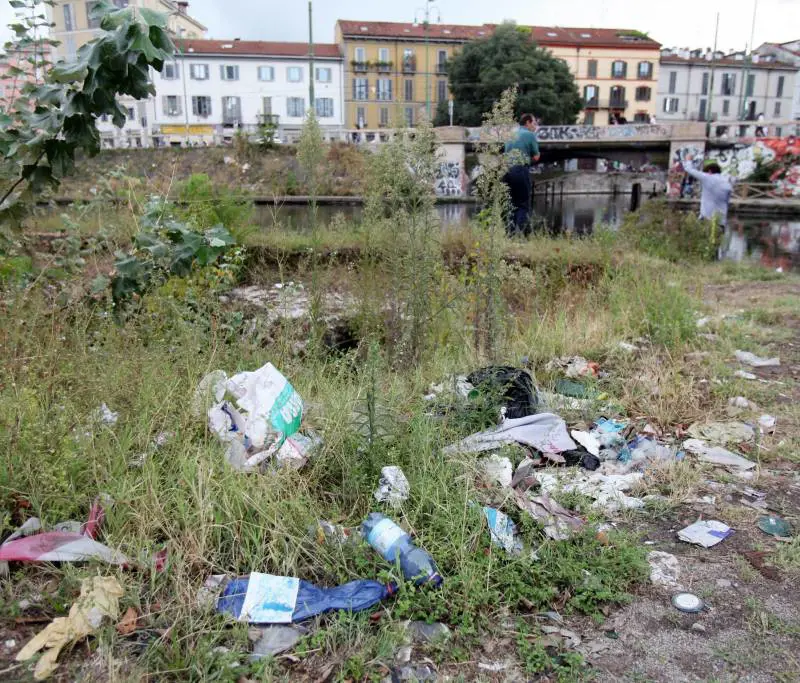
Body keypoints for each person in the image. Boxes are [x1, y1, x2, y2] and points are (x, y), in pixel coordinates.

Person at [503, 113, 540, 236]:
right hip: (520, 171)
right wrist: (529, 156)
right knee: (523, 204)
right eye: (534, 123)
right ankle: (522, 235)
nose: (535, 126)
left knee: (512, 204)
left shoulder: (510, 135)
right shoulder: (530, 135)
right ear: (528, 123)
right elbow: (536, 156)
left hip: (507, 172)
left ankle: (510, 234)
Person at [682, 155, 733, 227]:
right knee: (718, 237)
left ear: (709, 171)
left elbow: (689, 169)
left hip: (707, 219)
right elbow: (727, 201)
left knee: (703, 237)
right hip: (721, 221)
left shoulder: (707, 177)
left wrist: (688, 159)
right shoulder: (727, 182)